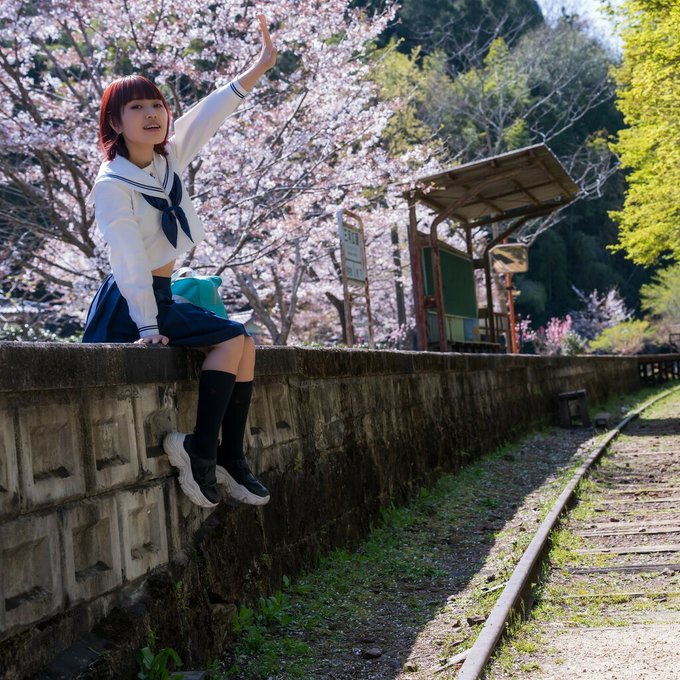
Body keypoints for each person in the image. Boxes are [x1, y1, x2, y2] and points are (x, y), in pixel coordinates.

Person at [82, 14, 277, 510]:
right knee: (231, 338)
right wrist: (148, 326)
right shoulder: (112, 184)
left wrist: (259, 66)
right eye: (136, 107)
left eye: (157, 104)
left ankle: (230, 456)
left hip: (161, 295)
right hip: (132, 303)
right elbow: (127, 260)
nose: (152, 114)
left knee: (244, 344)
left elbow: (209, 114)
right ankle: (199, 450)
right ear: (115, 122)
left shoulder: (166, 160)